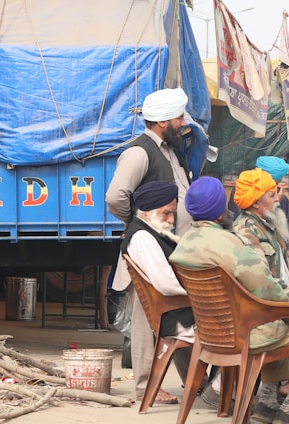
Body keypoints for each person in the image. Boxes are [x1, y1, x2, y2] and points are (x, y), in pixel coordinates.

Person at [169, 176, 289, 424]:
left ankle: (266, 405)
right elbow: (267, 290)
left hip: (210, 333)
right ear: (219, 210)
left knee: (275, 322)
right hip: (245, 335)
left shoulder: (181, 247)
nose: (278, 197)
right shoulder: (232, 244)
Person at [105, 87, 191, 403]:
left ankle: (191, 382)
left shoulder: (170, 150)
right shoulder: (139, 152)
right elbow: (115, 197)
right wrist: (138, 224)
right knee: (146, 321)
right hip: (148, 254)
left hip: (172, 252)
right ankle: (144, 387)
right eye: (179, 117)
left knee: (177, 317)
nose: (183, 122)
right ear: (162, 122)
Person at [119, 181, 194, 392]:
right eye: (166, 213)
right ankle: (217, 390)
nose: (171, 219)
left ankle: (202, 383)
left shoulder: (151, 231)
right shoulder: (142, 237)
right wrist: (199, 296)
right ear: (147, 211)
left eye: (173, 213)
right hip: (170, 315)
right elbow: (166, 284)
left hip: (172, 310)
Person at [233, 168, 289, 297]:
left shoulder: (267, 225)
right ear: (256, 203)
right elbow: (264, 282)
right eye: (272, 195)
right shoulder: (246, 231)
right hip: (270, 309)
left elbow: (282, 265)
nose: (278, 199)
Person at [228, 156, 289, 259]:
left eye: (276, 185)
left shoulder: (279, 197)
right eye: (271, 191)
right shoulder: (247, 195)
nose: (276, 196)